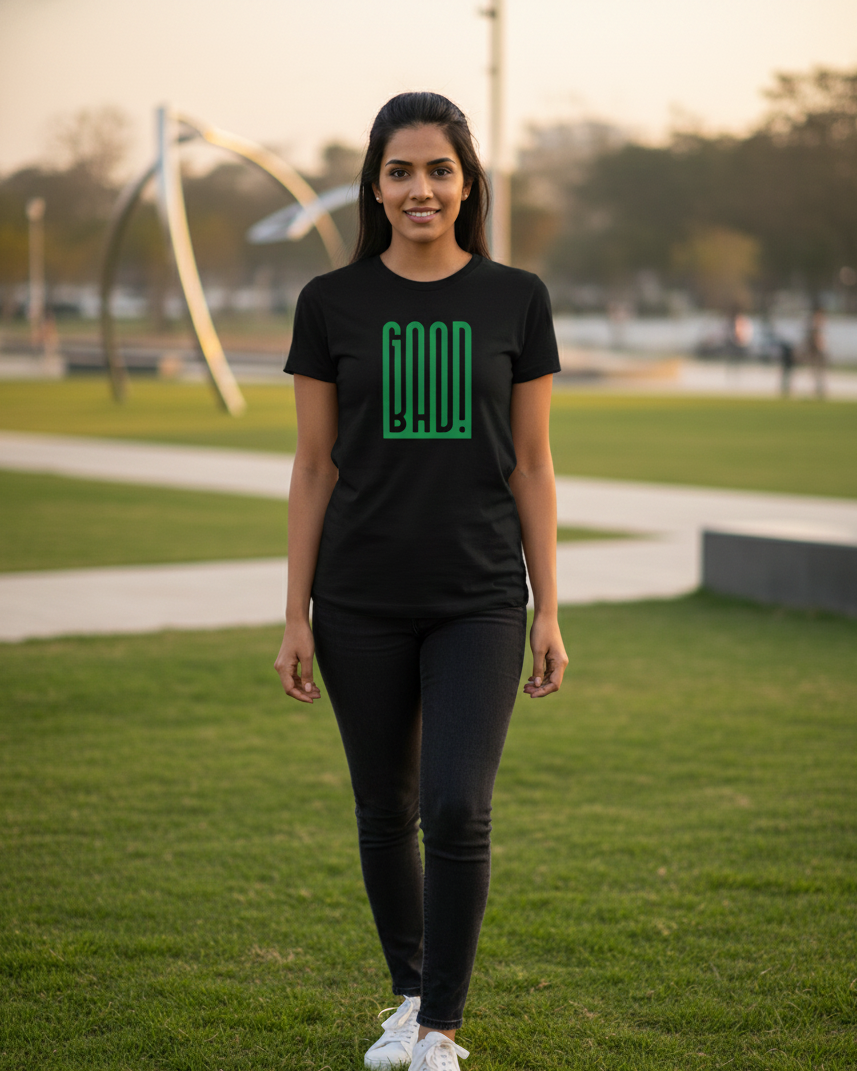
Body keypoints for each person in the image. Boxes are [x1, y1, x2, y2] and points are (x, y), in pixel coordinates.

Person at [275, 91, 568, 1071]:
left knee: (454, 806)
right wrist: (294, 616)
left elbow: (531, 463)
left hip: (479, 597)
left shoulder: (514, 297)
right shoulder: (330, 305)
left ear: (466, 183)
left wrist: (548, 610)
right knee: (381, 809)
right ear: (373, 185)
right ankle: (407, 997)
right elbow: (314, 467)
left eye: (438, 169)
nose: (419, 188)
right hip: (357, 600)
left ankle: (440, 1027)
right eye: (399, 170)